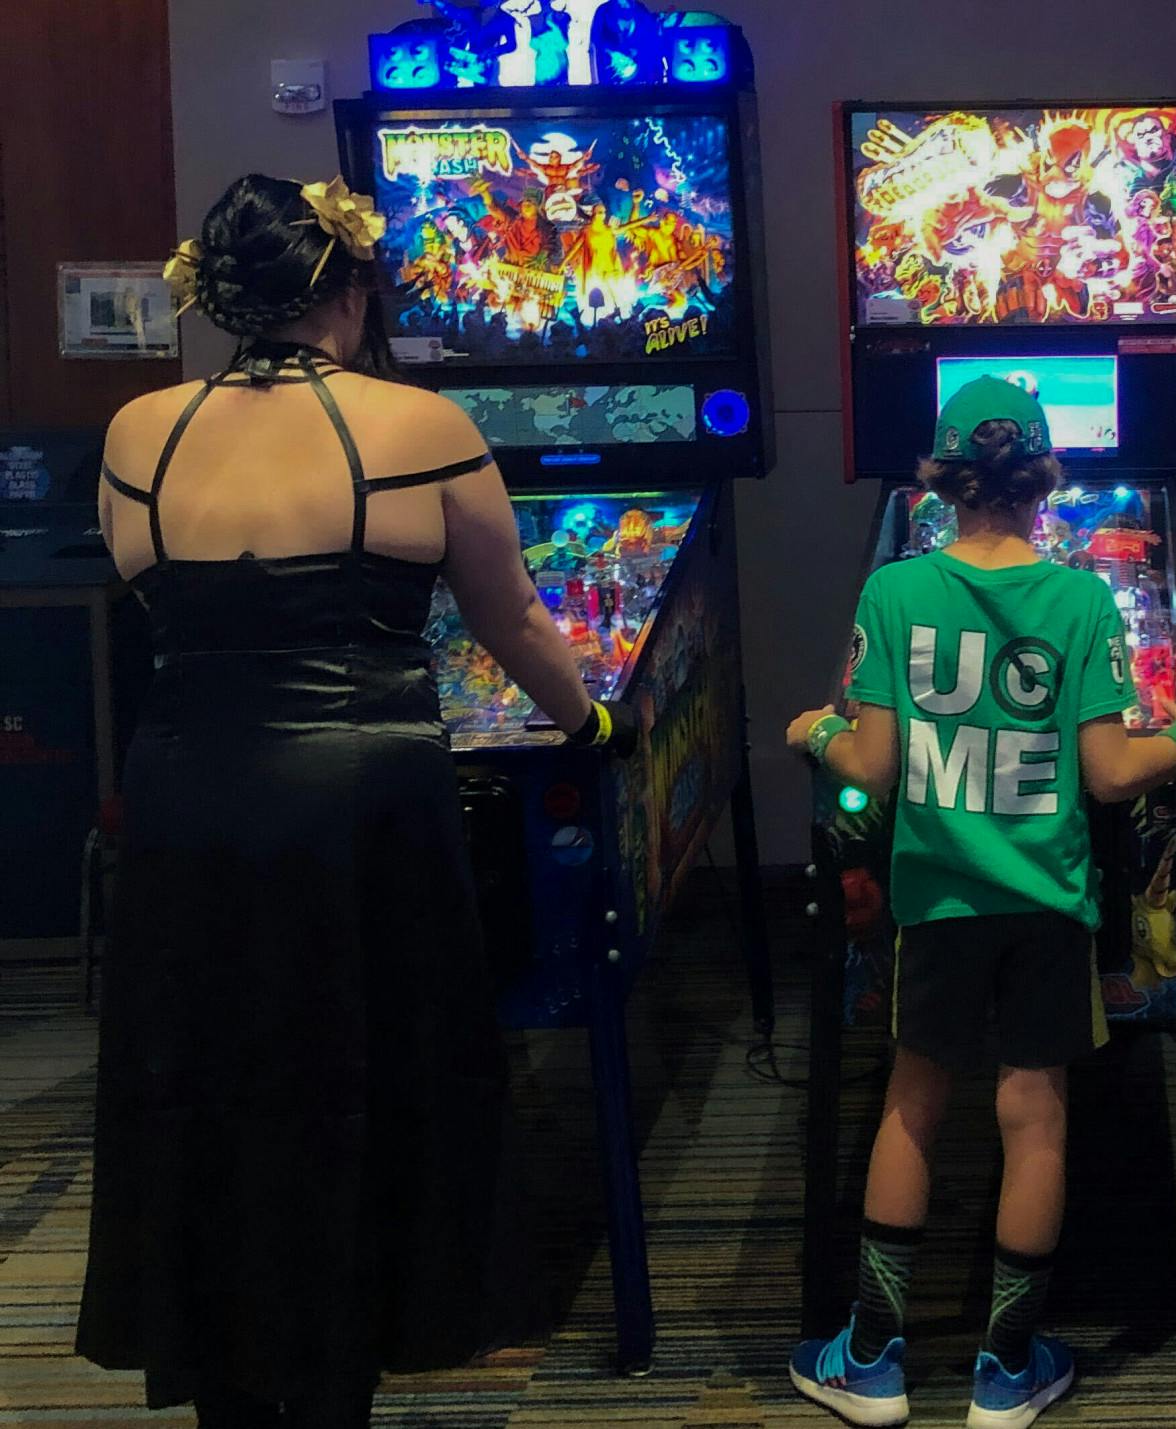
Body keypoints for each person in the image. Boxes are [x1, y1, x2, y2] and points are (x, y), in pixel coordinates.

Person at [78, 173, 637, 1427]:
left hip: (186, 794)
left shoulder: (136, 431)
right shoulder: (417, 424)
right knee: (362, 1072)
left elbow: (153, 588)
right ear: (348, 281)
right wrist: (594, 725)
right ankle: (355, 1340)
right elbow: (515, 618)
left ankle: (233, 1359)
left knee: (211, 1077)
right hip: (358, 792)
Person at [784, 377, 1176, 1429]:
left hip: (935, 896)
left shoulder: (894, 592)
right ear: (1044, 482)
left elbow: (873, 765)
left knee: (911, 1102)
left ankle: (875, 1361)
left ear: (936, 482)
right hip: (1047, 900)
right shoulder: (1080, 602)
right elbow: (1113, 773)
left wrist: (810, 730)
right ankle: (1005, 1368)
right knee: (1033, 1115)